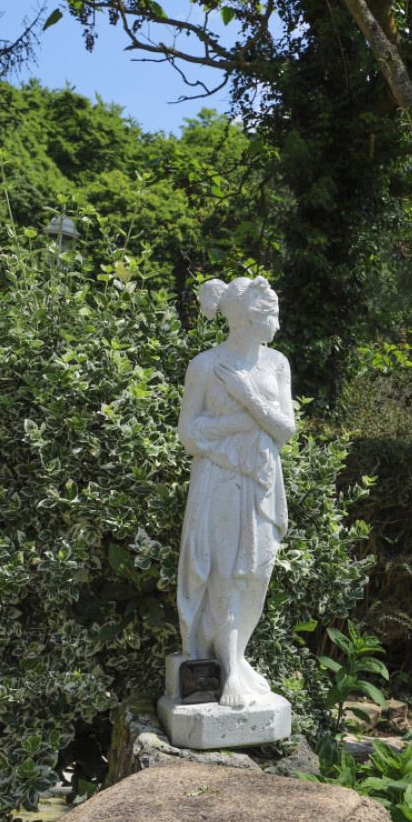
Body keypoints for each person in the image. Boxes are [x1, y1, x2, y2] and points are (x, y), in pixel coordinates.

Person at [176, 276, 295, 708]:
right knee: (226, 572)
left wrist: (249, 400)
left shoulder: (276, 363)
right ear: (246, 317)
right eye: (271, 316)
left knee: (258, 572)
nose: (277, 326)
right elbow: (188, 434)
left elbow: (285, 430)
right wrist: (238, 426)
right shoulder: (205, 365)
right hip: (221, 478)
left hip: (262, 478)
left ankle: (237, 657)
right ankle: (227, 671)